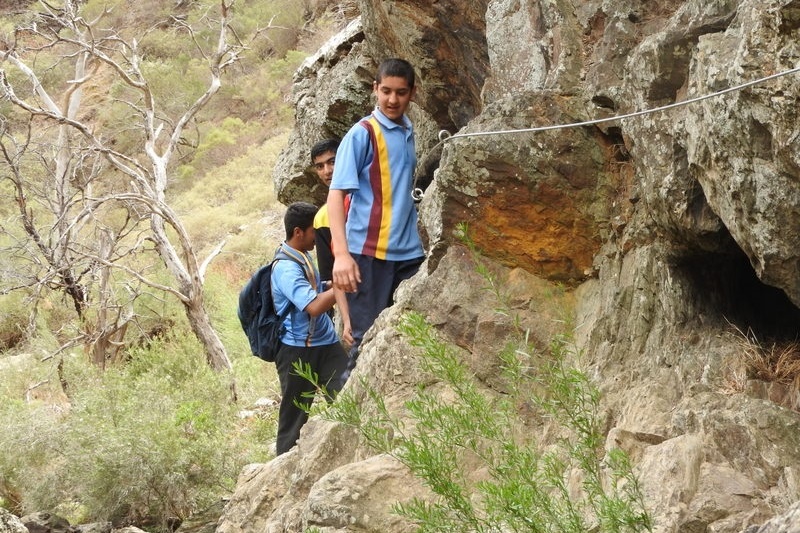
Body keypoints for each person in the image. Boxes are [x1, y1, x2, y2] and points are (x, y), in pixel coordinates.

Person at [327, 58, 426, 371]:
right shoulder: (361, 134)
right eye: (386, 91)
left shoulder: (409, 133)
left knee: (413, 339)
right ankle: (353, 418)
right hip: (368, 256)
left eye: (400, 92)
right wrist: (341, 256)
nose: (392, 100)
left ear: (412, 93)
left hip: (410, 255)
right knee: (363, 343)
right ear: (375, 89)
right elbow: (335, 195)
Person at [271, 202, 349, 455]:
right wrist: (341, 285)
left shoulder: (303, 256)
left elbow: (316, 292)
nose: (318, 235)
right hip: (296, 353)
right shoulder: (285, 268)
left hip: (326, 343)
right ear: (298, 232)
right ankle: (280, 471)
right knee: (294, 418)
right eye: (314, 230)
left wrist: (329, 285)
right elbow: (314, 306)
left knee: (347, 398)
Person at [311, 139, 353, 346]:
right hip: (355, 300)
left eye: (332, 162)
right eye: (320, 166)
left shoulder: (367, 195)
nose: (327, 171)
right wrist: (346, 320)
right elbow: (333, 278)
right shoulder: (322, 219)